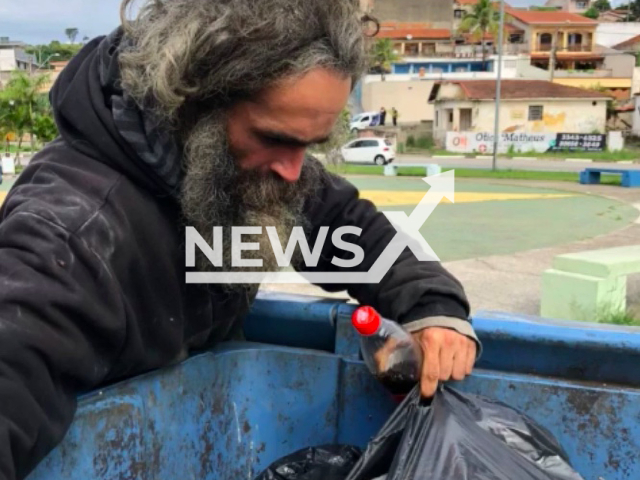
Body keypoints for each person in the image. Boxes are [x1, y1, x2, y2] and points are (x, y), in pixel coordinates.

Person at [0, 0, 479, 478]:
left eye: (308, 146)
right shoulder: (72, 237)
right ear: (188, 104)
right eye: (276, 138)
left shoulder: (244, 171)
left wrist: (431, 305)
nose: (295, 173)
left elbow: (349, 227)